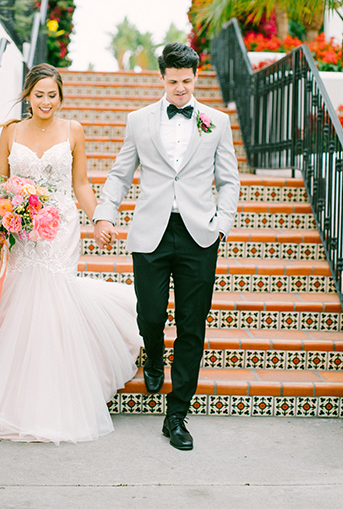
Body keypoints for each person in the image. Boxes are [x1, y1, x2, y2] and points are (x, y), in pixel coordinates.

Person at [0, 63, 142, 444]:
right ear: (28, 95)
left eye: (52, 95)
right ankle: (16, 391)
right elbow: (0, 183)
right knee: (23, 297)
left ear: (60, 96)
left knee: (52, 296)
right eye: (39, 95)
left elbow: (82, 183)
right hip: (22, 228)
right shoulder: (10, 132)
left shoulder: (74, 130)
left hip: (61, 228)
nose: (46, 102)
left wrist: (100, 218)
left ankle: (57, 391)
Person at [94, 43, 240, 451]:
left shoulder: (217, 122)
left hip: (199, 235)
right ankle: (154, 357)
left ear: (196, 77)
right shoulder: (138, 121)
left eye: (187, 82)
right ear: (162, 78)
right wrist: (105, 213)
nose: (180, 89)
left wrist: (221, 225)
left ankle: (176, 414)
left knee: (192, 325)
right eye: (173, 81)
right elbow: (121, 174)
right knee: (151, 314)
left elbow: (229, 180)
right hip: (150, 233)